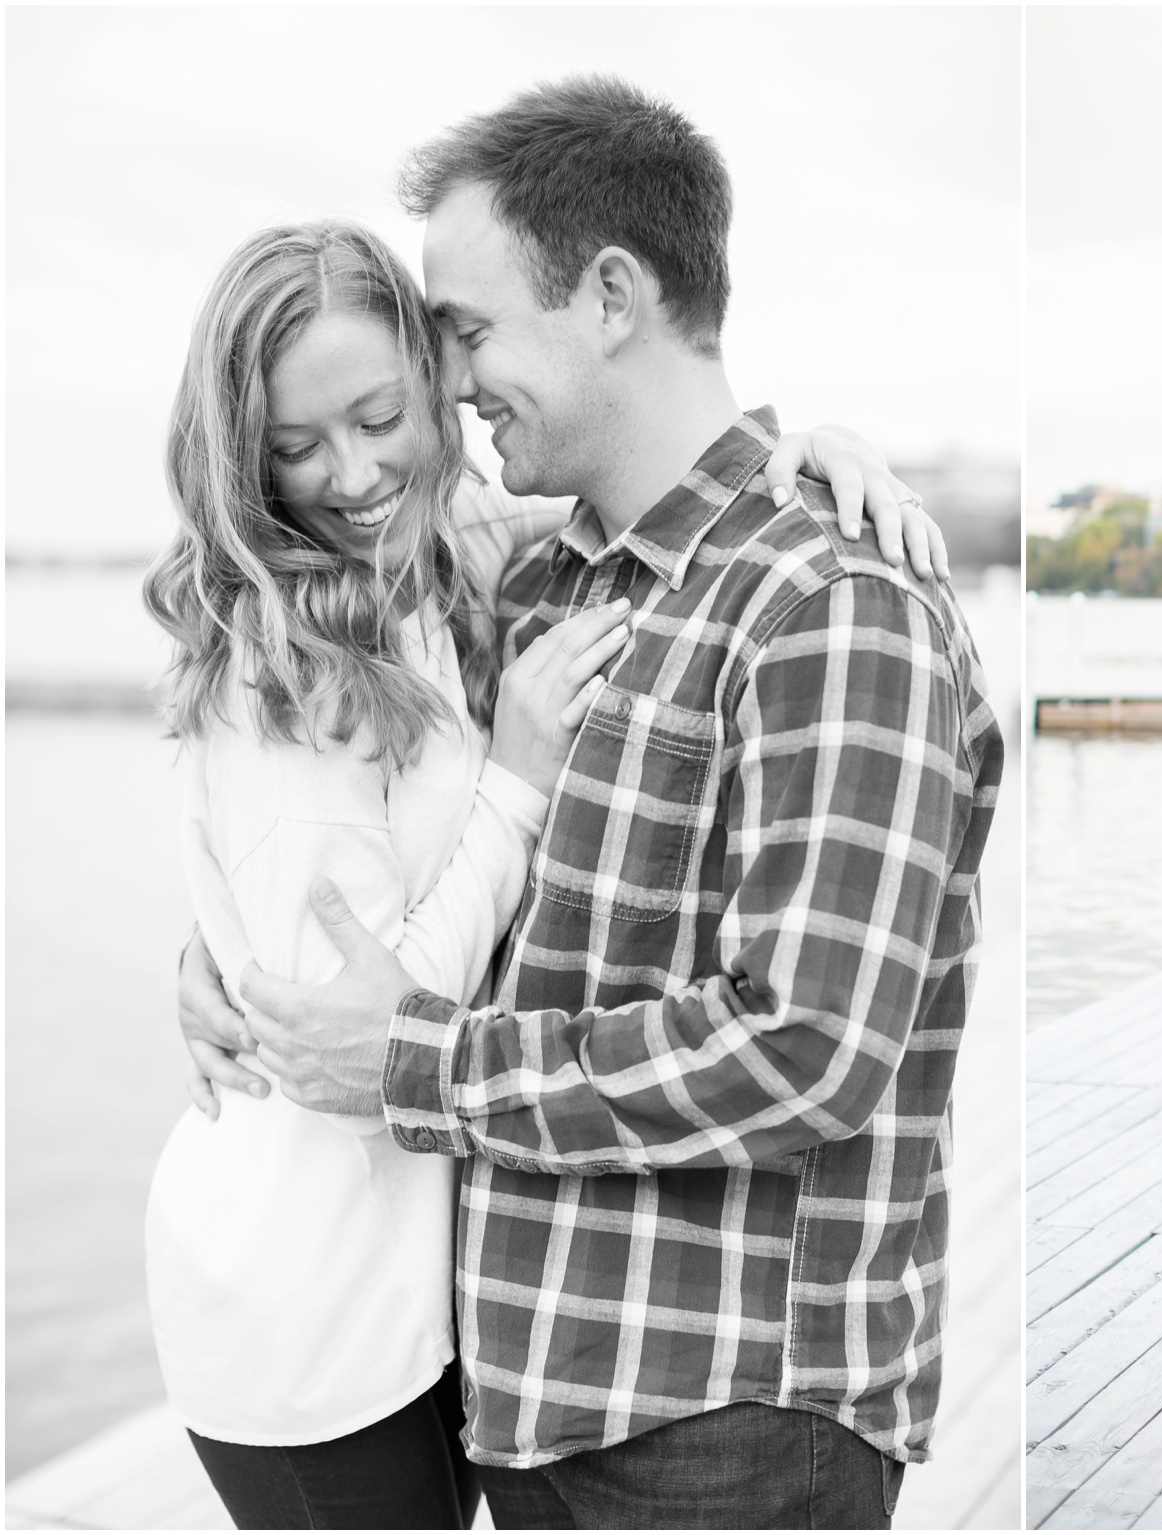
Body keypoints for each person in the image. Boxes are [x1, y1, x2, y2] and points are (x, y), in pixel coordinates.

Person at [184, 76, 1001, 1530]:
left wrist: (412, 1059)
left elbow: (808, 1047)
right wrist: (229, 958)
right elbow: (386, 822)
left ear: (612, 293)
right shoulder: (544, 582)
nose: (451, 382)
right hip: (529, 1401)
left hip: (728, 1425)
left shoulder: (832, 601)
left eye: (469, 330)